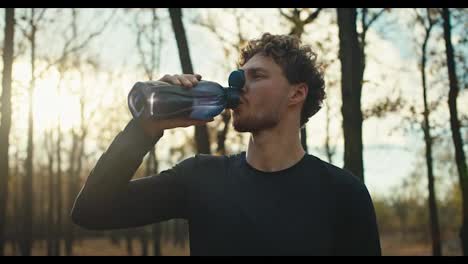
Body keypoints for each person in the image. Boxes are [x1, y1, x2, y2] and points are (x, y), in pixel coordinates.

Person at [71, 32, 381, 256]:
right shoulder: (201, 178)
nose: (238, 84)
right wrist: (145, 129)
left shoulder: (343, 193)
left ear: (296, 94)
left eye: (256, 75)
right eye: (238, 75)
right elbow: (92, 210)